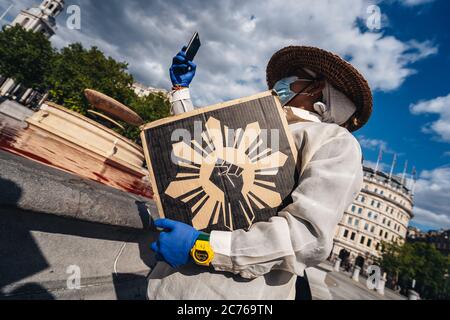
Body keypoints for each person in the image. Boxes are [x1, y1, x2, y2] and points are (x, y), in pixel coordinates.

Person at [147, 45, 372, 300]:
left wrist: (203, 247)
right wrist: (180, 93)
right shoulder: (262, 125)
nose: (279, 84)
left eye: (293, 75)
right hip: (166, 288)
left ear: (315, 87)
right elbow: (201, 152)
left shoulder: (335, 142)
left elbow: (304, 237)